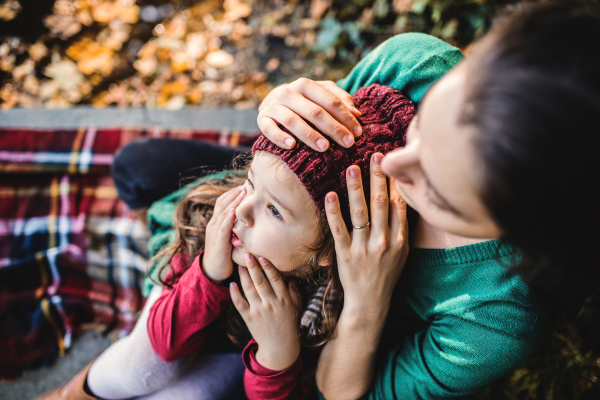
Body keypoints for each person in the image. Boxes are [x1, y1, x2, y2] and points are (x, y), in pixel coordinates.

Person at [254, 2, 600, 399]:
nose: (395, 162)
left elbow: (340, 393)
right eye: (421, 124)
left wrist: (366, 301)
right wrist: (283, 111)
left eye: (437, 191)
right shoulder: (415, 67)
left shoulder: (496, 323)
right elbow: (286, 165)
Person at [36, 84, 415, 399]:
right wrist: (209, 271)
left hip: (246, 350)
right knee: (141, 364)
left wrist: (277, 352)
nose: (242, 210)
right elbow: (163, 346)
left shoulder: (323, 308)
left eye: (275, 212)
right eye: (250, 183)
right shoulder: (210, 226)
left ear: (327, 253)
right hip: (185, 301)